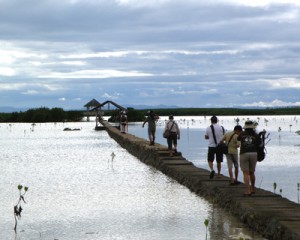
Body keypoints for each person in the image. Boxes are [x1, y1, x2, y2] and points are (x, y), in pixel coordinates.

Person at [237, 120, 261, 196]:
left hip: (244, 153)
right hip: (254, 153)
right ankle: (253, 189)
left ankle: (247, 191)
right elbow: (260, 144)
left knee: (245, 173)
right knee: (252, 172)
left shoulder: (242, 134)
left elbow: (238, 139)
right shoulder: (256, 135)